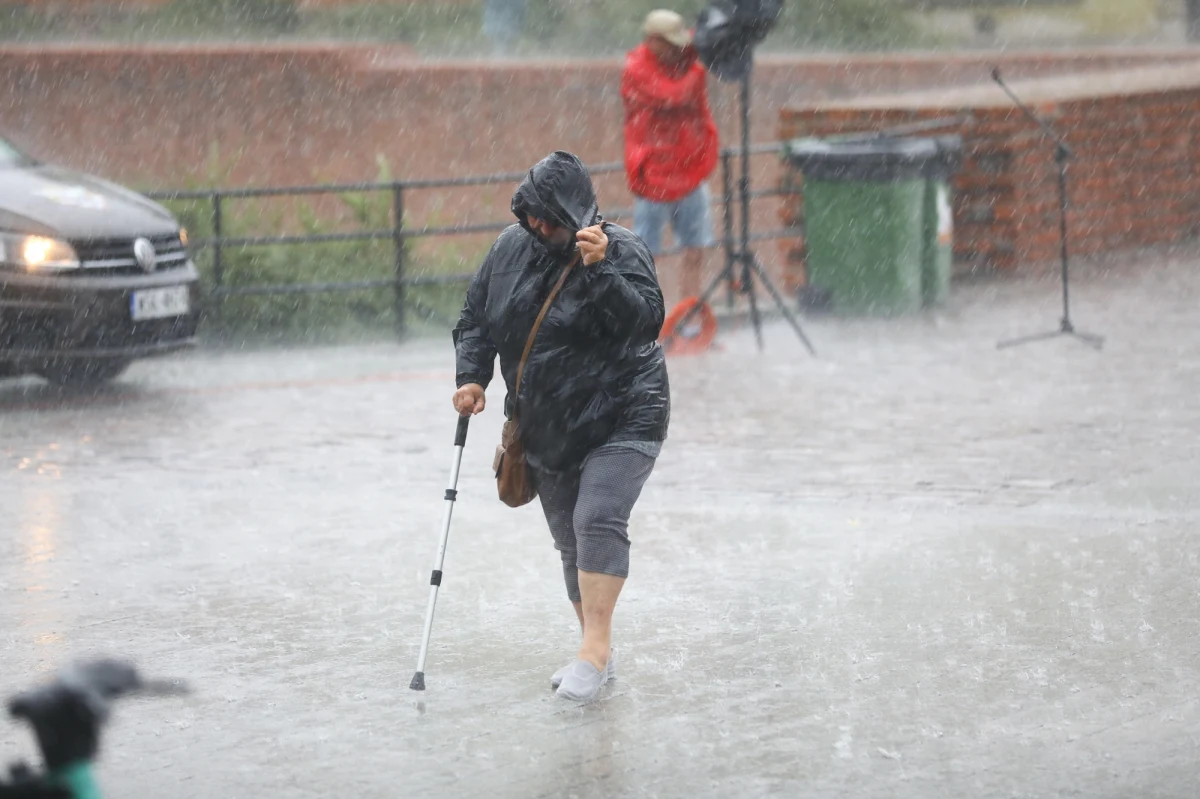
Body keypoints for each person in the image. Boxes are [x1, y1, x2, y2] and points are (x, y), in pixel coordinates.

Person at [452, 151, 670, 702]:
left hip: (625, 412)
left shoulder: (619, 250)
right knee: (569, 538)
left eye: (549, 218)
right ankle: (595, 649)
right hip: (546, 421)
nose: (537, 225)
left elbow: (644, 325)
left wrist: (601, 272)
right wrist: (472, 377)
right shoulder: (508, 249)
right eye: (531, 214)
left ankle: (593, 653)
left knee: (596, 517)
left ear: (574, 215)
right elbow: (476, 318)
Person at [621, 8, 720, 300]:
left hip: (689, 170)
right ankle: (648, 314)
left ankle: (690, 313)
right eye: (670, 44)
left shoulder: (681, 58)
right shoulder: (636, 68)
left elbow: (696, 44)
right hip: (653, 175)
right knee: (646, 254)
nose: (678, 50)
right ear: (653, 41)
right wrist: (698, 71)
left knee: (695, 248)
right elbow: (671, 96)